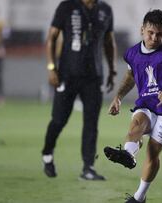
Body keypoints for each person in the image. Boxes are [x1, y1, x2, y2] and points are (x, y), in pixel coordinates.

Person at [104, 9, 162, 203]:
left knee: (152, 151)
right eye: (150, 33)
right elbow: (130, 76)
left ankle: (139, 197)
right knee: (137, 124)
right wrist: (118, 97)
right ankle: (127, 154)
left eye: (159, 34)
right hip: (147, 101)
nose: (154, 37)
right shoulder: (133, 53)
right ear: (142, 30)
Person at [42, 0, 117, 181]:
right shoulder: (67, 6)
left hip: (94, 77)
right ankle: (47, 153)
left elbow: (109, 41)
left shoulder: (105, 10)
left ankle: (88, 167)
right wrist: (52, 67)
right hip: (68, 75)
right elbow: (51, 37)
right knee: (59, 120)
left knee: (91, 123)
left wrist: (112, 70)